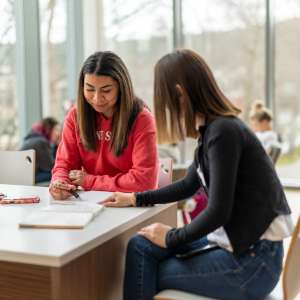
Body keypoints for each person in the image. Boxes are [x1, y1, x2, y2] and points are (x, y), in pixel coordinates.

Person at [102, 49, 294, 300]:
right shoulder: (212, 131)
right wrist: (135, 198)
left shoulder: (223, 132)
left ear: (180, 93)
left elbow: (218, 211)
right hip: (241, 247)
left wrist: (171, 238)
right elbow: (189, 184)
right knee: (140, 246)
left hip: (253, 263)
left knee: (145, 269)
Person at [49, 51, 158, 200]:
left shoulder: (142, 119)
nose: (97, 98)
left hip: (129, 204)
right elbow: (64, 165)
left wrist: (90, 181)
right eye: (89, 89)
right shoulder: (75, 116)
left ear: (121, 87)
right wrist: (60, 182)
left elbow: (145, 182)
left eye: (106, 90)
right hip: (91, 202)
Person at [20, 117, 61, 183]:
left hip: (23, 177)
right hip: (30, 178)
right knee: (60, 173)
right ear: (49, 129)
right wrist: (59, 145)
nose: (59, 133)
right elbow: (51, 167)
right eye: (56, 130)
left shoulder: (32, 139)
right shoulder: (41, 142)